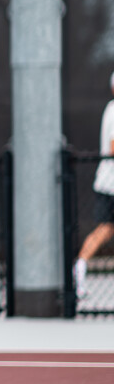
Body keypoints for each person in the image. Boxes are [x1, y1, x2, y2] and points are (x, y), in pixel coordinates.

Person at [74, 70, 114, 300]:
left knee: (106, 229)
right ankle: (78, 270)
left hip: (106, 180)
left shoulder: (109, 109)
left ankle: (79, 269)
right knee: (104, 229)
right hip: (111, 182)